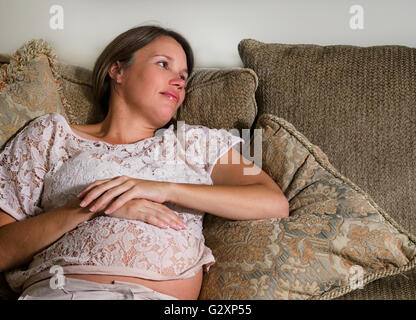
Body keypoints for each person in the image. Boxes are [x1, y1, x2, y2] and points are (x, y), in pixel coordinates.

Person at [0, 25, 289, 300]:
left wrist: (161, 189)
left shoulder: (196, 141)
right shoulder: (50, 134)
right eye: (163, 64)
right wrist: (94, 206)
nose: (178, 81)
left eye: (183, 77)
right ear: (117, 70)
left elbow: (273, 201)